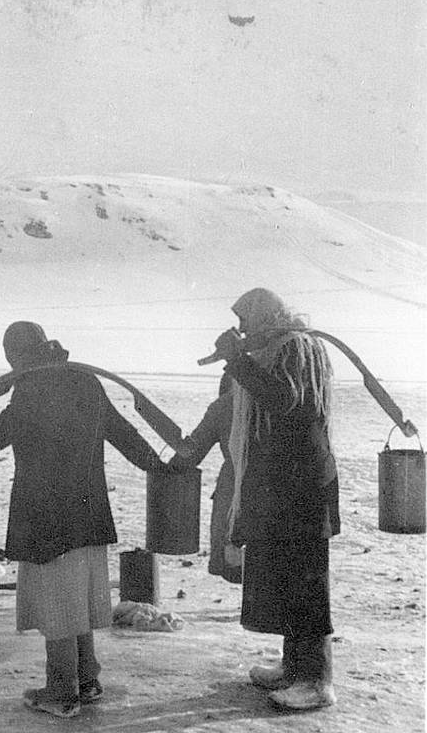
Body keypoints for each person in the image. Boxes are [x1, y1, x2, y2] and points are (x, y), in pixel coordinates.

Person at [0, 321, 166, 719]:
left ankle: (61, 690)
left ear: (13, 355)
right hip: (89, 513)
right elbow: (122, 433)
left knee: (58, 605)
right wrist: (159, 466)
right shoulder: (84, 380)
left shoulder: (33, 386)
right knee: (79, 603)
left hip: (47, 516)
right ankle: (87, 680)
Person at [208, 288, 339, 712]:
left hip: (303, 485)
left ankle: (317, 680)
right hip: (282, 485)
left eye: (245, 321)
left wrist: (236, 360)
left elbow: (284, 399)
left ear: (264, 316)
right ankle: (294, 668)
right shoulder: (278, 350)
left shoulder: (298, 348)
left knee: (306, 580)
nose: (242, 329)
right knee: (289, 574)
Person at [168, 371, 241, 583]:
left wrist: (168, 468)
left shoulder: (223, 406)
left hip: (234, 494)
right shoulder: (280, 399)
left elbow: (191, 452)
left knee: (236, 563)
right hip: (272, 496)